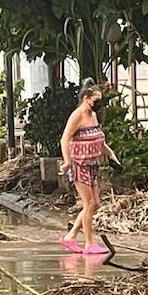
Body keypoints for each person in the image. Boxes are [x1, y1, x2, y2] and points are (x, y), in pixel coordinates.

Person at [59, 79, 119, 255]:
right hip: (80, 165)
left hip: (93, 165)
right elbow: (65, 139)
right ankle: (89, 243)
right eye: (96, 100)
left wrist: (110, 153)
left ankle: (70, 236)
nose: (98, 104)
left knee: (96, 204)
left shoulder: (93, 116)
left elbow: (98, 138)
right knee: (89, 203)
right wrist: (67, 161)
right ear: (86, 98)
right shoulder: (77, 115)